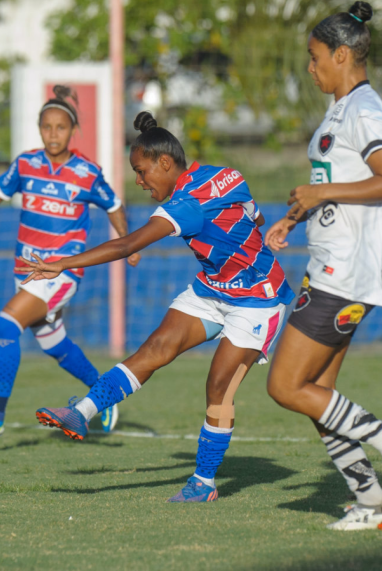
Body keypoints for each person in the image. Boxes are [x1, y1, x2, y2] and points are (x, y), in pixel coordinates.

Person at [20, 111, 295, 502]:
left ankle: (204, 482)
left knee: (218, 384)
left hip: (259, 300)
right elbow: (255, 214)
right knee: (155, 349)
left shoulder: (183, 205)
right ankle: (80, 412)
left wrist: (61, 263)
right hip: (212, 290)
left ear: (165, 162)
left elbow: (127, 244)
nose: (139, 181)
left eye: (141, 171)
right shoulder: (227, 175)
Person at [263, 1, 382, 531]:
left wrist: (321, 191)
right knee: (319, 398)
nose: (309, 69)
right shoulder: (339, 109)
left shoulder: (365, 109)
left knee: (285, 387)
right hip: (330, 264)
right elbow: (331, 186)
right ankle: (373, 503)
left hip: (347, 271)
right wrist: (295, 216)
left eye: (314, 59)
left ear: (341, 54)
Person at [0, 85, 139, 439]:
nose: (53, 134)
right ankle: (103, 395)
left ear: (72, 130)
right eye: (47, 127)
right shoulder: (26, 164)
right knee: (52, 343)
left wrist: (128, 244)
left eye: (61, 127)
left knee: (6, 325)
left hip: (61, 273)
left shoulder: (87, 172)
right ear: (40, 128)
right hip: (25, 271)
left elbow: (114, 205)